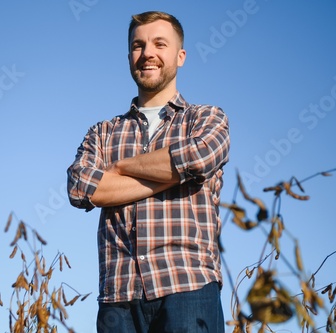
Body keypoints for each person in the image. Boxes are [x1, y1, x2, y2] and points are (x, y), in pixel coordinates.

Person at [67, 10, 230, 333]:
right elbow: (82, 187)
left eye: (160, 44)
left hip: (188, 287)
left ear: (180, 56)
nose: (148, 54)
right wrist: (172, 175)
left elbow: (198, 159)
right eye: (139, 46)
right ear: (129, 55)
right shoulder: (103, 131)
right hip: (118, 297)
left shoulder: (206, 118)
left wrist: (119, 168)